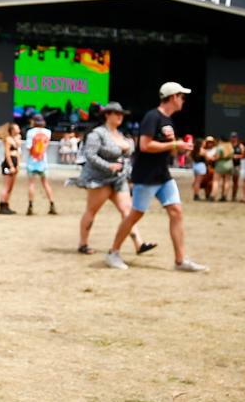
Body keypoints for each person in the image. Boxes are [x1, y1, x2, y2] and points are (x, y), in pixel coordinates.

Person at [104, 82, 207, 271]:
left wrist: (179, 148)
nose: (183, 100)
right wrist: (175, 145)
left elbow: (166, 148)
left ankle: (180, 260)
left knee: (176, 211)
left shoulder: (169, 121)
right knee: (136, 214)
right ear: (173, 97)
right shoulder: (153, 117)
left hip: (162, 174)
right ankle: (113, 253)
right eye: (181, 96)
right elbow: (145, 145)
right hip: (146, 175)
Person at [74, 101, 156, 256]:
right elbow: (90, 155)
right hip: (99, 179)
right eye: (117, 114)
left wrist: (128, 174)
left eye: (122, 114)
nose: (120, 117)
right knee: (92, 210)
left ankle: (139, 243)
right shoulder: (96, 134)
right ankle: (83, 244)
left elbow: (127, 158)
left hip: (118, 179)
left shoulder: (122, 135)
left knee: (128, 210)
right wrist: (108, 166)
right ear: (107, 115)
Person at [24, 112, 57, 215]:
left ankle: (30, 205)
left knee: (31, 184)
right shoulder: (48, 132)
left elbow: (29, 147)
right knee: (45, 184)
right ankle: (52, 204)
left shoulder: (30, 132)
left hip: (32, 161)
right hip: (43, 161)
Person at [0, 121, 22, 214]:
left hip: (15, 162)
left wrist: (17, 165)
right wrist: (11, 166)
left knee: (11, 187)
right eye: (16, 128)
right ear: (12, 130)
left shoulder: (16, 139)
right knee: (6, 186)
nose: (18, 129)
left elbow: (18, 153)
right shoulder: (8, 139)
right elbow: (7, 154)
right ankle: (2, 205)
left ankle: (6, 204)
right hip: (9, 163)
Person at [213, 133, 236, 202]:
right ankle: (224, 195)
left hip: (220, 164)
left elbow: (216, 157)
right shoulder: (230, 147)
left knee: (216, 181)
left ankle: (213, 195)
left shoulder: (220, 147)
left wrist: (212, 158)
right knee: (227, 181)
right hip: (229, 164)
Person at [229, 132, 245, 201]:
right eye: (232, 137)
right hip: (228, 165)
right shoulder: (229, 145)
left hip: (236, 165)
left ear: (237, 138)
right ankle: (224, 195)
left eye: (235, 137)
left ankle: (234, 196)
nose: (233, 138)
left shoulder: (240, 146)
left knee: (235, 181)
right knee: (226, 181)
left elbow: (244, 155)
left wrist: (237, 156)